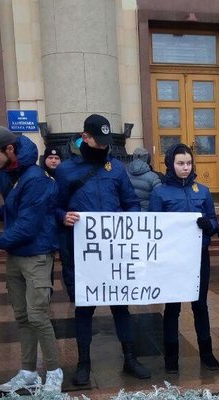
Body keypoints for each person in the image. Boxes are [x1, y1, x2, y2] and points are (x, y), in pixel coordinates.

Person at [55, 114, 150, 385]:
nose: (104, 146)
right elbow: (55, 207)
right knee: (84, 309)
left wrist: (128, 219)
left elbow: (131, 202)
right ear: (85, 137)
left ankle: (130, 358)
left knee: (121, 307)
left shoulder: (117, 168)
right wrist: (64, 216)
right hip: (84, 253)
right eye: (99, 141)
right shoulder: (65, 170)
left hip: (114, 252)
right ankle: (83, 362)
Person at [0, 126, 63, 393]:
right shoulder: (7, 173)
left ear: (10, 150)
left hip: (36, 254)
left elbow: (28, 222)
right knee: (23, 316)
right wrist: (0, 213)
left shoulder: (36, 178)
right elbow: (18, 206)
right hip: (17, 254)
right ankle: (27, 371)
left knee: (38, 315)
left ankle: (54, 371)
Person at [147, 143, 219, 373]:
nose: (185, 168)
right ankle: (171, 357)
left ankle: (207, 352)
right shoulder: (159, 193)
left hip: (199, 257)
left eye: (188, 163)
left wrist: (210, 225)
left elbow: (212, 221)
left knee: (200, 305)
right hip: (173, 260)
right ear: (171, 164)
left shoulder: (203, 191)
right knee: (172, 307)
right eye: (180, 163)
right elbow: (152, 227)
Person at [126, 146, 161, 211]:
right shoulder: (153, 177)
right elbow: (159, 196)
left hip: (129, 214)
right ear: (147, 159)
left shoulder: (124, 173)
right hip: (147, 216)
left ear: (133, 157)